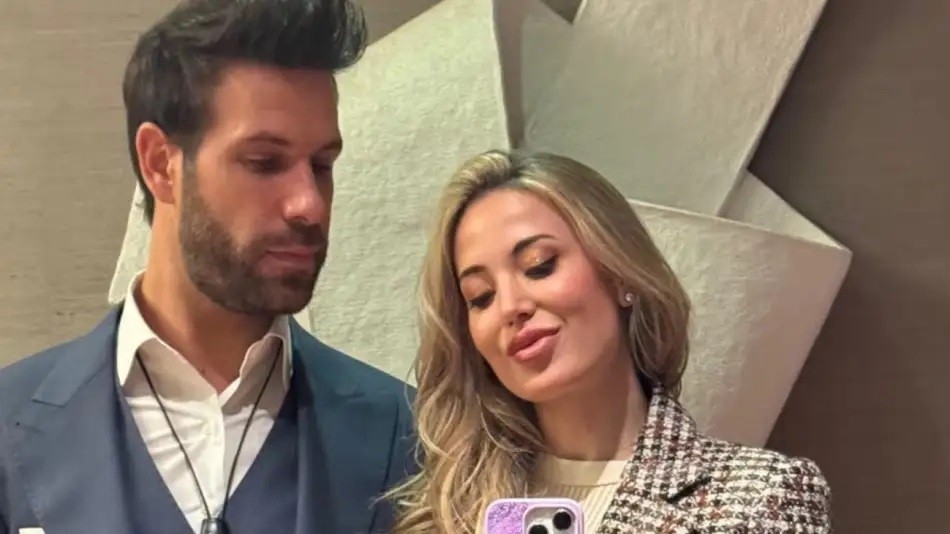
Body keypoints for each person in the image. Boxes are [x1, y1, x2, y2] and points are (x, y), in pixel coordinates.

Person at [0, 1, 416, 533]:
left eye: (322, 165)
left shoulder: (406, 437)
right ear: (160, 164)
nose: (310, 205)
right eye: (264, 163)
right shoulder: (10, 430)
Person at [385, 150, 832, 533]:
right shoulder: (447, 515)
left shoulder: (758, 499)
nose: (510, 307)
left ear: (620, 275)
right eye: (480, 296)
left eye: (539, 266)